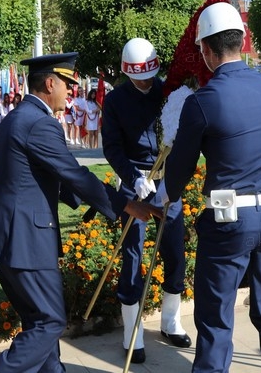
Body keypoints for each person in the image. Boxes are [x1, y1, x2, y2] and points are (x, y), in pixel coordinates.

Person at [0, 52, 161, 373]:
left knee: (38, 321)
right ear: (50, 83)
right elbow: (75, 174)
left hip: (5, 240)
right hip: (27, 242)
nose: (71, 91)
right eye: (67, 84)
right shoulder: (40, 123)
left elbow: (43, 177)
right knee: (49, 323)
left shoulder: (16, 117)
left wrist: (88, 202)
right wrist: (125, 204)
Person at [157, 2, 261, 373]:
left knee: (216, 313)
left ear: (205, 50)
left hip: (229, 222)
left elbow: (178, 173)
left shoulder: (203, 101)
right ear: (243, 41)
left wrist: (165, 188)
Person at [102, 37, 191, 364]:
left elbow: (183, 138)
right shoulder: (115, 101)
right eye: (139, 76)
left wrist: (173, 176)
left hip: (168, 179)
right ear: (127, 72)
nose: (146, 81)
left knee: (174, 250)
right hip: (135, 180)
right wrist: (133, 177)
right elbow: (111, 148)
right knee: (133, 254)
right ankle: (132, 331)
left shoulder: (169, 92)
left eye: (150, 74)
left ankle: (170, 320)